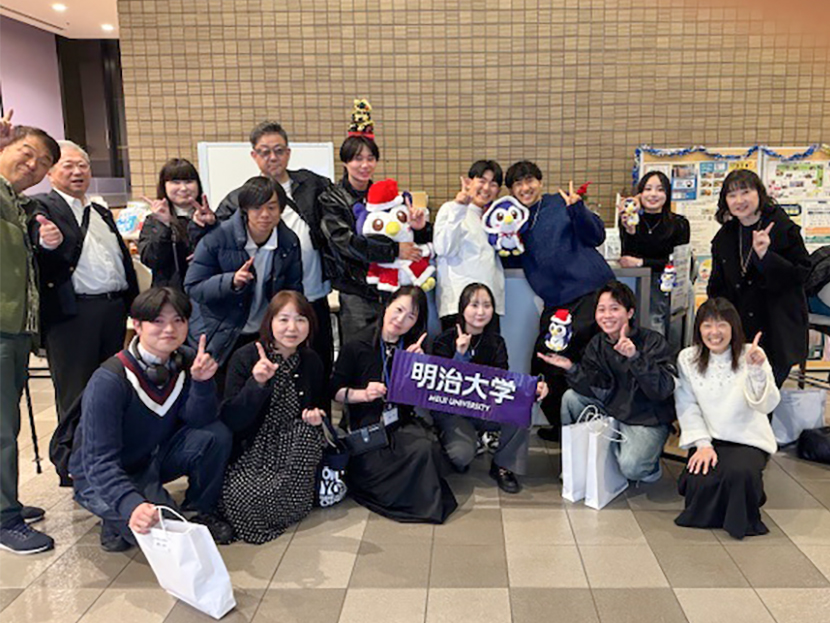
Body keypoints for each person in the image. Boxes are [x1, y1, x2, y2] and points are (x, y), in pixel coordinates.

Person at [69, 287, 233, 552]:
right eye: (158, 321)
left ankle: (198, 509)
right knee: (162, 535)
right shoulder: (110, 380)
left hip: (147, 461)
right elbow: (97, 462)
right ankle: (117, 518)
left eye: (178, 320)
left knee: (217, 435)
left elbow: (199, 421)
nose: (170, 329)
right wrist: (131, 505)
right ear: (137, 325)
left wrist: (202, 384)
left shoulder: (185, 361)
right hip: (97, 475)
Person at [505, 161, 615, 441]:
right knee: (545, 362)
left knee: (592, 360)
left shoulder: (559, 203)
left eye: (529, 180)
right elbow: (513, 259)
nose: (525, 188)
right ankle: (565, 426)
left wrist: (577, 209)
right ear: (511, 190)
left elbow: (596, 236)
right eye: (518, 183)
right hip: (558, 302)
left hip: (592, 291)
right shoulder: (513, 218)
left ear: (540, 182)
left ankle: (597, 430)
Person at [215, 122, 334, 377]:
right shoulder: (239, 198)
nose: (273, 157)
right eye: (265, 151)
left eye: (279, 150)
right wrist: (198, 228)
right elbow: (216, 237)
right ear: (254, 155)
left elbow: (339, 213)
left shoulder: (313, 185)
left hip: (314, 295)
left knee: (319, 367)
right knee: (278, 371)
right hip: (272, 305)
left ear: (288, 153)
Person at [31, 141, 139, 421]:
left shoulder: (99, 211)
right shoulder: (43, 207)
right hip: (73, 313)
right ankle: (74, 447)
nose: (77, 172)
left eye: (83, 165)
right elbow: (38, 250)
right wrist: (46, 243)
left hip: (113, 309)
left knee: (111, 386)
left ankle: (106, 444)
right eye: (68, 165)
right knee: (76, 392)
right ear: (50, 172)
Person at [331, 286, 457, 523]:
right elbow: (335, 392)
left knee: (427, 448)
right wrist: (363, 394)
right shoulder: (357, 344)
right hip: (367, 428)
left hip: (399, 423)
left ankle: (416, 497)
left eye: (411, 317)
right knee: (408, 457)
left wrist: (418, 368)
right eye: (398, 310)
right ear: (387, 305)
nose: (400, 320)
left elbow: (418, 398)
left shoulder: (410, 348)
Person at [538, 281, 676, 483]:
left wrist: (635, 357)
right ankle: (577, 462)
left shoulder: (652, 341)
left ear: (630, 312)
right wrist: (571, 367)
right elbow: (594, 386)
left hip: (645, 418)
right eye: (601, 309)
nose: (607, 315)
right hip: (612, 410)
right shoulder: (597, 344)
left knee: (632, 468)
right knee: (571, 398)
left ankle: (649, 466)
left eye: (614, 309)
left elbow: (662, 390)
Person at [219, 291, 327, 544]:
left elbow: (319, 406)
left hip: (292, 444)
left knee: (307, 434)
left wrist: (316, 417)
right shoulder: (245, 357)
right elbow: (232, 419)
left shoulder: (311, 360)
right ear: (269, 322)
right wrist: (256, 383)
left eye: (300, 319)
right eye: (283, 319)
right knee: (241, 494)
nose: (292, 328)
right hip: (254, 444)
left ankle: (284, 505)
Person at [0, 121, 63, 554]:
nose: (33, 165)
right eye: (27, 152)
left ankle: (7, 501)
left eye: (42, 162)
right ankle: (4, 518)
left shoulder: (18, 205)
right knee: (2, 428)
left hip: (17, 329)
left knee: (9, 422)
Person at [674, 297, 780, 539]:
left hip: (748, 439)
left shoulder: (751, 354)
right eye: (707, 325)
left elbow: (767, 404)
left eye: (722, 324)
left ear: (733, 327)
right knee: (700, 481)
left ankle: (742, 515)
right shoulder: (687, 358)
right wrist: (702, 444)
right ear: (699, 329)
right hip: (709, 439)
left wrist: (756, 370)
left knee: (738, 474)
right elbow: (687, 405)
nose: (715, 332)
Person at [430, 283, 548, 493]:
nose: (481, 311)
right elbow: (441, 386)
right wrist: (459, 355)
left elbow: (502, 383)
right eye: (474, 305)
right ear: (462, 308)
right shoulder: (444, 340)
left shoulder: (496, 342)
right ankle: (457, 441)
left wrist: (531, 390)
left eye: (487, 305)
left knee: (519, 410)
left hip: (483, 408)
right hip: (453, 412)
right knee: (461, 456)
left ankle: (503, 466)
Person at [184, 176, 302, 376]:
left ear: (281, 209)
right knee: (220, 391)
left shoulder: (288, 242)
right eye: (257, 208)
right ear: (245, 209)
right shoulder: (218, 238)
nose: (265, 214)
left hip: (262, 334)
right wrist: (230, 282)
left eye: (272, 207)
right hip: (220, 332)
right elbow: (193, 287)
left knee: (259, 389)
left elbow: (293, 289)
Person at [320, 132, 431, 338]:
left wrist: (420, 227)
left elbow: (405, 235)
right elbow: (345, 242)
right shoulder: (332, 199)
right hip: (356, 289)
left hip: (390, 287)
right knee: (359, 347)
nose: (365, 165)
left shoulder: (386, 196)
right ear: (345, 162)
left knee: (393, 344)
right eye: (358, 159)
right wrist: (394, 251)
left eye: (370, 159)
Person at [708, 169, 809, 388]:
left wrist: (766, 256)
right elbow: (716, 286)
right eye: (732, 195)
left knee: (766, 391)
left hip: (776, 328)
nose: (739, 200)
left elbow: (801, 274)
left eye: (745, 192)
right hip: (739, 329)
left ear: (759, 194)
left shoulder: (782, 227)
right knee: (742, 392)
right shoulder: (724, 236)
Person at [433, 161, 506, 332]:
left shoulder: (495, 217)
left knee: (490, 349)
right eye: (482, 181)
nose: (486, 188)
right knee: (456, 349)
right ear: (469, 182)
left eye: (493, 184)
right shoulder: (451, 208)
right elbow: (443, 249)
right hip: (457, 304)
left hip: (488, 305)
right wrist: (460, 206)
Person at [618, 171, 690, 334]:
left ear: (667, 194)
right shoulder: (630, 220)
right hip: (638, 287)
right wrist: (630, 231)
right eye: (648, 189)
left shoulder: (679, 224)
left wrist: (641, 263)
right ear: (640, 194)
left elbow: (679, 263)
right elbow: (627, 260)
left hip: (667, 288)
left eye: (660, 189)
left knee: (660, 328)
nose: (653, 194)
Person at [139, 158, 215, 290]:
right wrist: (164, 225)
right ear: (164, 186)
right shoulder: (153, 221)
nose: (183, 188)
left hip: (206, 290)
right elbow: (151, 260)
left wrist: (211, 226)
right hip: (170, 294)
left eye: (189, 181)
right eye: (176, 182)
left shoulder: (210, 218)